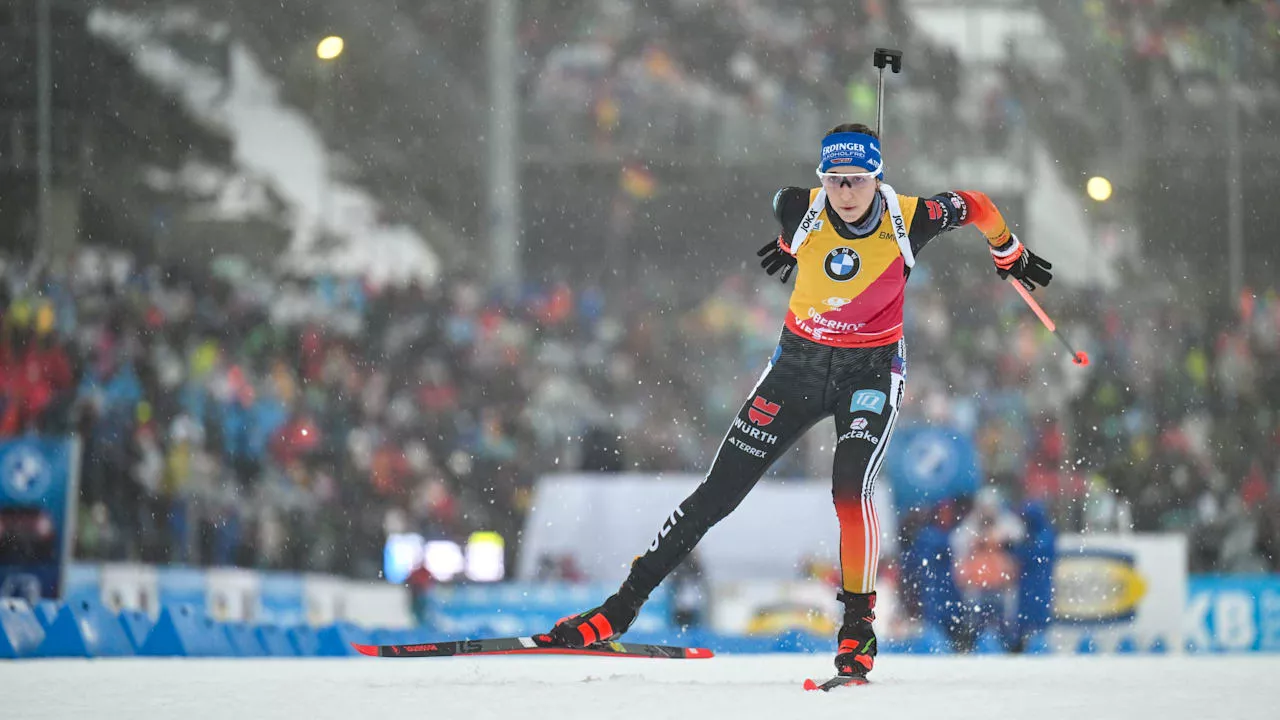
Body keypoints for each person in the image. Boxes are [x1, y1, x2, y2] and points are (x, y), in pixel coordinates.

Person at [536, 122, 1054, 679]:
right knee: (716, 495)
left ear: (877, 179)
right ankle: (618, 611)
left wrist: (1008, 250)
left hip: (870, 372)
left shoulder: (912, 216)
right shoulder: (797, 205)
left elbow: (976, 204)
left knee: (850, 490)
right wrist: (789, 246)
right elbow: (784, 210)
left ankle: (857, 630)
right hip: (797, 369)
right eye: (834, 181)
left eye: (856, 181)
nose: (845, 193)